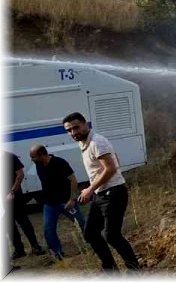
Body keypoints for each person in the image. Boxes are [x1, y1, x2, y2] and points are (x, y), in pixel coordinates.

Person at [62, 112, 140, 271]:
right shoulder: (84, 142)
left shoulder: (97, 142)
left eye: (76, 127)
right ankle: (110, 270)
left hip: (114, 193)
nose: (73, 133)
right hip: (101, 193)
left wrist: (90, 189)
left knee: (112, 236)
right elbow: (114, 159)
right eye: (69, 130)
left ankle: (135, 270)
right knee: (90, 234)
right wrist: (93, 188)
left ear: (85, 124)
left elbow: (110, 168)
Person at [28, 145, 86, 261]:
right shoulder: (38, 164)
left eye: (33, 157)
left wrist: (72, 199)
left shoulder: (60, 163)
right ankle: (57, 254)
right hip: (49, 204)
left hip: (66, 201)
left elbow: (73, 180)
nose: (31, 159)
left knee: (81, 224)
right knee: (48, 229)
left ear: (42, 155)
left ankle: (94, 244)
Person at [3, 151, 45, 259]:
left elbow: (20, 174)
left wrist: (12, 191)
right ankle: (19, 249)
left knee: (23, 221)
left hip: (13, 195)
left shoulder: (8, 157)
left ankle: (35, 245)